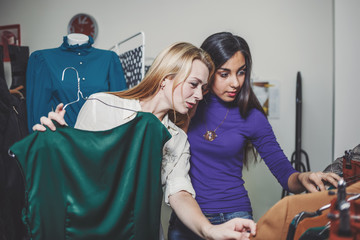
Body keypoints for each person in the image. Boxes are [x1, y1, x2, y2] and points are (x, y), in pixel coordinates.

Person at [33, 42, 256, 240]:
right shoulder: (101, 106)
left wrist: (210, 230)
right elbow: (73, 172)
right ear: (166, 79)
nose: (199, 95)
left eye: (203, 88)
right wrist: (57, 142)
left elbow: (179, 193)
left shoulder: (177, 139)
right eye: (194, 84)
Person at [167, 32, 341, 240]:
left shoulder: (252, 117)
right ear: (208, 70)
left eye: (241, 72)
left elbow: (285, 175)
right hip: (187, 218)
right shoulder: (185, 105)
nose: (235, 83)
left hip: (233, 216)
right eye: (225, 74)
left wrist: (303, 177)